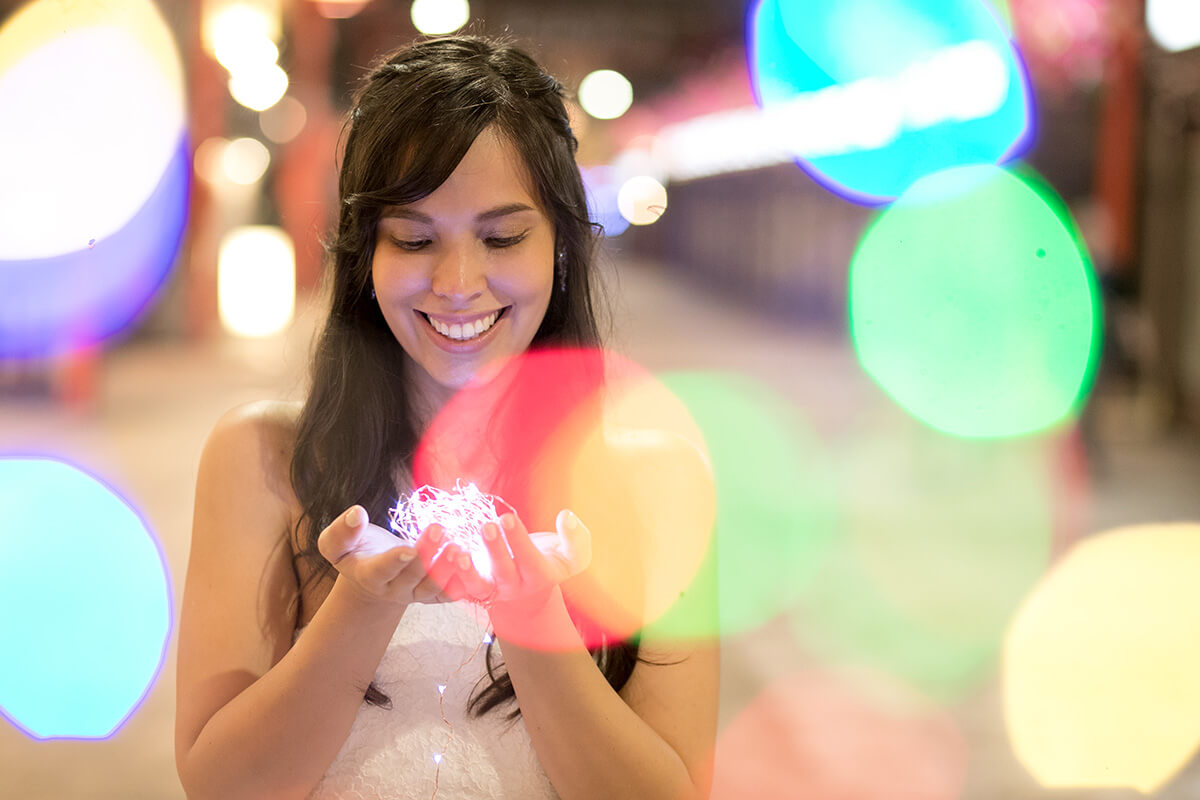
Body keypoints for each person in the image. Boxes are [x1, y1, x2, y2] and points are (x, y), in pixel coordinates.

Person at [174, 35, 719, 800]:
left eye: (502, 237)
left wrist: (530, 611)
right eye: (415, 238)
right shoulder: (263, 459)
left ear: (561, 244)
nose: (458, 283)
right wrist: (361, 605)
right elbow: (222, 787)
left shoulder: (657, 480)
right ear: (367, 252)